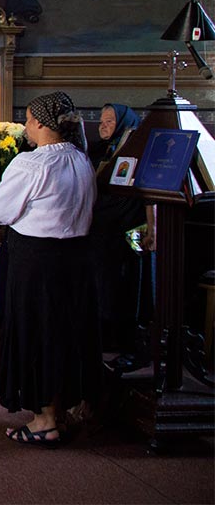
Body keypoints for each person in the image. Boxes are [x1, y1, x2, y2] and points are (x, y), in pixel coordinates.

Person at [0, 92, 97, 447]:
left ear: (39, 123)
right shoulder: (82, 160)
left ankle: (44, 420)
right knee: (65, 334)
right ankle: (60, 410)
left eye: (29, 119)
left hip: (36, 263)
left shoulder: (31, 165)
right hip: (75, 262)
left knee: (37, 334)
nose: (26, 126)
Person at [88, 103, 150, 370]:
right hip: (98, 233)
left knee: (125, 289)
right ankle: (106, 338)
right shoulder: (97, 150)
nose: (103, 125)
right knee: (101, 288)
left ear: (125, 123)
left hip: (125, 232)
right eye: (102, 120)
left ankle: (132, 346)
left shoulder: (137, 153)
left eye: (110, 121)